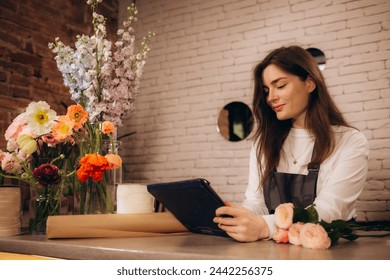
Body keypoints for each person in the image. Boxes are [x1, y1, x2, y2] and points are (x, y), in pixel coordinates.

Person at [213, 45, 369, 242]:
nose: (271, 97)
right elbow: (256, 203)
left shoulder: (349, 141)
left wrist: (263, 226)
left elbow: (330, 210)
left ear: (310, 83)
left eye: (280, 86)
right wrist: (240, 217)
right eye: (266, 90)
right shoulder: (264, 143)